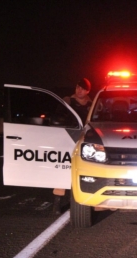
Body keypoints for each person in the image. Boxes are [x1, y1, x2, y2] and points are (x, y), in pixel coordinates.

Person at [53, 78, 92, 214]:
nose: (79, 90)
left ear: (88, 90)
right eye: (77, 87)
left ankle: (94, 202)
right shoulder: (68, 101)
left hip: (85, 140)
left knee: (85, 168)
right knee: (63, 168)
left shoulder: (91, 104)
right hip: (68, 137)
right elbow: (58, 117)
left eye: (82, 88)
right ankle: (57, 202)